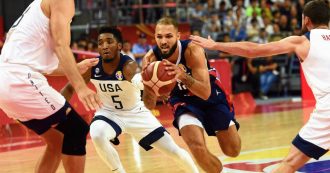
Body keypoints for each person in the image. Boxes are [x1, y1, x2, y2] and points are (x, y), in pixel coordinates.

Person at [189, 0, 330, 172]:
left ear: (306, 20)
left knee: (289, 164)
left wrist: (216, 45)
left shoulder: (302, 42)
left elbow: (253, 50)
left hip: (327, 108)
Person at [61, 26, 199, 173]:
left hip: (136, 113)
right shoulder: (92, 67)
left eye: (109, 41)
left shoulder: (128, 65)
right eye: (100, 43)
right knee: (97, 133)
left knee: (174, 151)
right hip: (108, 114)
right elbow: (70, 88)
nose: (104, 46)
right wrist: (58, 111)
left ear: (119, 46)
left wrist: (154, 86)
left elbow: (138, 81)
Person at [0, 0, 102, 173]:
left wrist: (75, 68)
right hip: (20, 80)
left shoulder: (38, 5)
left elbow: (43, 65)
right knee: (77, 129)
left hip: (7, 80)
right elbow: (61, 45)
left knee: (57, 141)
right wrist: (81, 87)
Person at [142, 17, 241, 173]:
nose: (163, 41)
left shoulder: (192, 50)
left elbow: (205, 93)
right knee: (196, 147)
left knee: (232, 150)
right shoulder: (150, 59)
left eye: (168, 36)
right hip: (182, 101)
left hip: (211, 97)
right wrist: (148, 85)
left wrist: (182, 76)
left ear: (178, 36)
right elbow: (148, 105)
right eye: (159, 37)